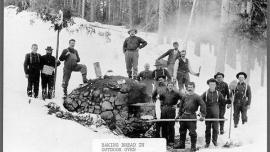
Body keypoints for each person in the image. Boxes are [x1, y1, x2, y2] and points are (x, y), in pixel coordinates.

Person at [174, 82, 206, 151]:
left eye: (191, 87)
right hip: (184, 116)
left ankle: (193, 147)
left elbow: (203, 105)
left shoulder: (197, 97)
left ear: (194, 88)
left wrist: (202, 115)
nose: (189, 89)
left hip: (192, 116)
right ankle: (181, 145)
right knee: (182, 131)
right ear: (187, 88)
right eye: (188, 87)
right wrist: (178, 115)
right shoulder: (184, 96)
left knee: (192, 132)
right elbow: (181, 107)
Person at [152, 81, 181, 146]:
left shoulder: (176, 93)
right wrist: (156, 99)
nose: (170, 87)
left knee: (171, 125)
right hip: (164, 110)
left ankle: (171, 141)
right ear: (167, 86)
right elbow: (158, 99)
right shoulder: (164, 93)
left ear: (173, 86)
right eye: (169, 85)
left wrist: (177, 105)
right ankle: (164, 140)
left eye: (171, 85)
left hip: (171, 109)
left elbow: (183, 99)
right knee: (164, 125)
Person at [201, 78, 225, 147]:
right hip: (208, 113)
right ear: (208, 85)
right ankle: (207, 142)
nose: (212, 86)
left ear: (215, 85)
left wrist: (229, 101)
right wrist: (201, 113)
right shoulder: (205, 93)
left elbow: (223, 102)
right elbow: (200, 101)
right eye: (210, 84)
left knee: (215, 128)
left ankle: (215, 141)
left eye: (213, 84)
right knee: (207, 129)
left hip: (215, 114)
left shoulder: (218, 93)